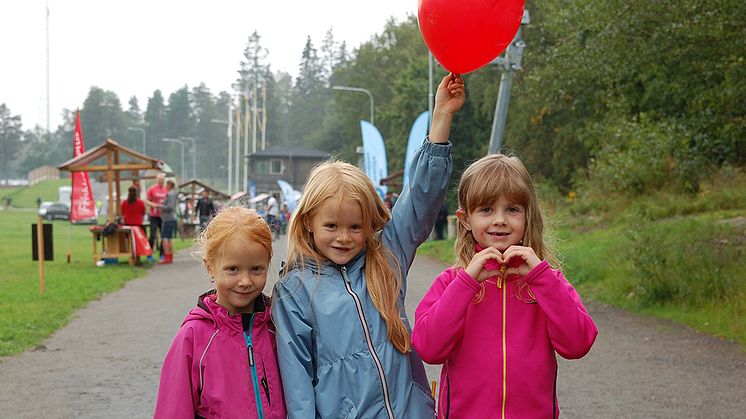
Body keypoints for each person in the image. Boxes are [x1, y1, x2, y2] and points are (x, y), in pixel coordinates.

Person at [272, 73, 465, 418]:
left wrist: (441, 118)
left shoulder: (386, 256)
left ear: (370, 223)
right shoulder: (294, 290)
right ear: (308, 224)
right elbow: (296, 379)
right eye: (331, 226)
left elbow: (420, 199)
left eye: (355, 226)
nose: (344, 237)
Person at [410, 154, 598, 418]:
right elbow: (429, 349)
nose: (500, 220)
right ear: (465, 219)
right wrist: (466, 283)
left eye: (512, 209)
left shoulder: (547, 281)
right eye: (486, 209)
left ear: (527, 215)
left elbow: (578, 344)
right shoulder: (452, 282)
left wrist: (541, 279)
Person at [154, 206, 286, 418]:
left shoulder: (278, 326)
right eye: (233, 269)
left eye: (256, 269)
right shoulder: (194, 336)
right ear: (209, 267)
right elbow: (173, 409)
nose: (245, 281)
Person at [145, 173, 168, 262]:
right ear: (157, 180)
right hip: (154, 215)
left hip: (163, 216)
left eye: (162, 180)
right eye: (159, 180)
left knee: (163, 235)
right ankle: (149, 254)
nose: (161, 181)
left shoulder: (166, 189)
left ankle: (162, 254)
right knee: (152, 234)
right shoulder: (152, 189)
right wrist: (153, 204)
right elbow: (146, 200)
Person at [159, 180, 178, 264]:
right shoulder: (173, 194)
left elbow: (170, 207)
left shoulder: (170, 194)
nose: (165, 186)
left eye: (166, 184)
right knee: (169, 238)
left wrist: (160, 206)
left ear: (170, 185)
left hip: (167, 218)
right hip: (171, 218)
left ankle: (166, 257)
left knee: (164, 238)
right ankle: (169, 257)